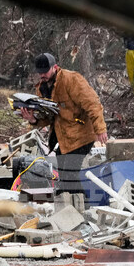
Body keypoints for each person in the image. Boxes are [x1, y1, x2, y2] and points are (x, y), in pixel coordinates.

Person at [18, 52, 108, 198]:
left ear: (55, 67)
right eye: (40, 72)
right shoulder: (41, 88)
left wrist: (101, 129)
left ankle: (82, 207)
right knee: (64, 177)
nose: (42, 75)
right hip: (63, 139)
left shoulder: (71, 79)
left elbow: (93, 104)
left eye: (45, 71)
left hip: (82, 135)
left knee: (69, 175)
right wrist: (33, 120)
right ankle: (67, 204)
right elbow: (48, 117)